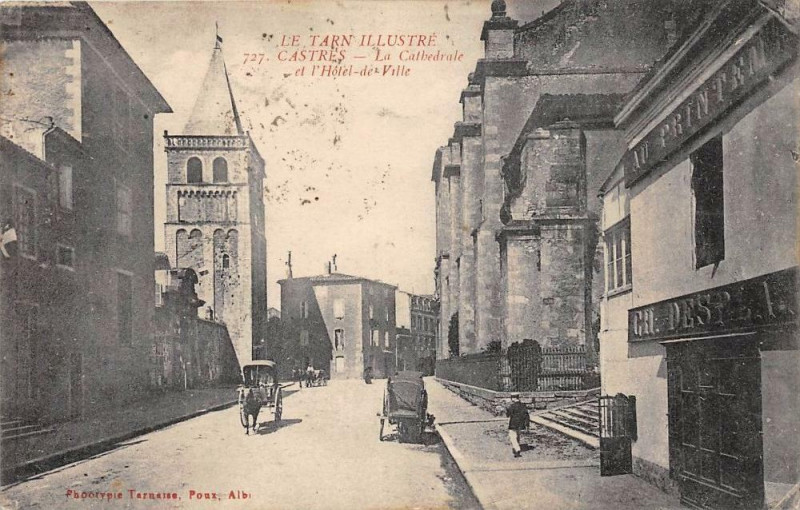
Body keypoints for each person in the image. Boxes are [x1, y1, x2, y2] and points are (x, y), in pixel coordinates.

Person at [506, 392, 529, 458]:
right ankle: (517, 446)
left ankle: (517, 449)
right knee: (518, 435)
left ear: (512, 398)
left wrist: (507, 408)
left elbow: (508, 415)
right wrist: (527, 425)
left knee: (512, 436)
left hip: (513, 423)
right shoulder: (523, 405)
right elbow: (526, 415)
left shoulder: (511, 406)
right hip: (521, 423)